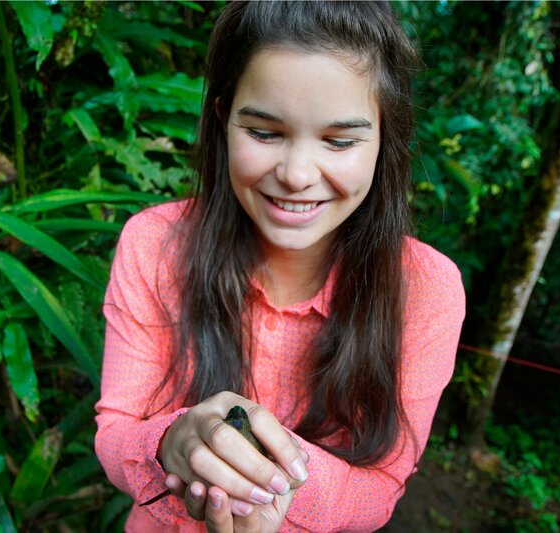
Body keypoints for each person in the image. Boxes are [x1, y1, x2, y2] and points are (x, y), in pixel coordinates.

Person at [94, 2, 465, 531]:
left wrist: (277, 481)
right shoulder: (155, 244)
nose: (295, 174)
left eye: (340, 141)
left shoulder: (427, 289)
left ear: (386, 138)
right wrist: (169, 443)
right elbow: (115, 433)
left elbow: (382, 488)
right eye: (264, 133)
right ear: (223, 117)